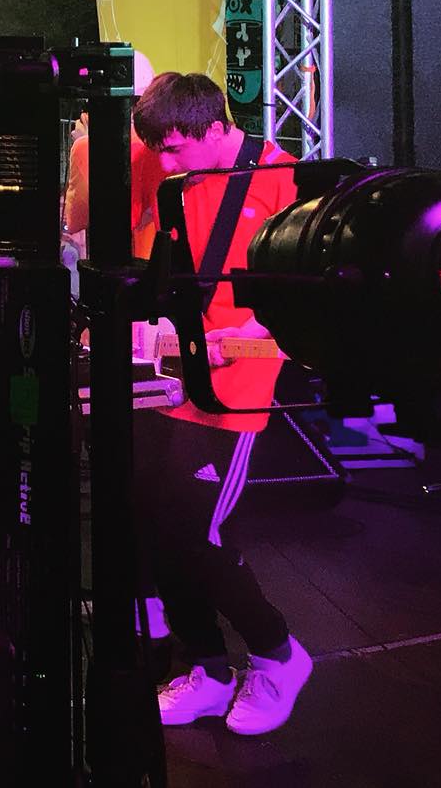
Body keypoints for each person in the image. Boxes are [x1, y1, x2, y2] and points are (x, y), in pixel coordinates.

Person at [131, 72, 311, 737]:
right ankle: (204, 667)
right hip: (176, 377)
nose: (166, 166)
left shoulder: (285, 179)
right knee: (156, 524)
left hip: (238, 393)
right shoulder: (179, 176)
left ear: (214, 129)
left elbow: (307, 307)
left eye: (176, 150)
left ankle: (277, 655)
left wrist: (248, 338)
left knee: (198, 533)